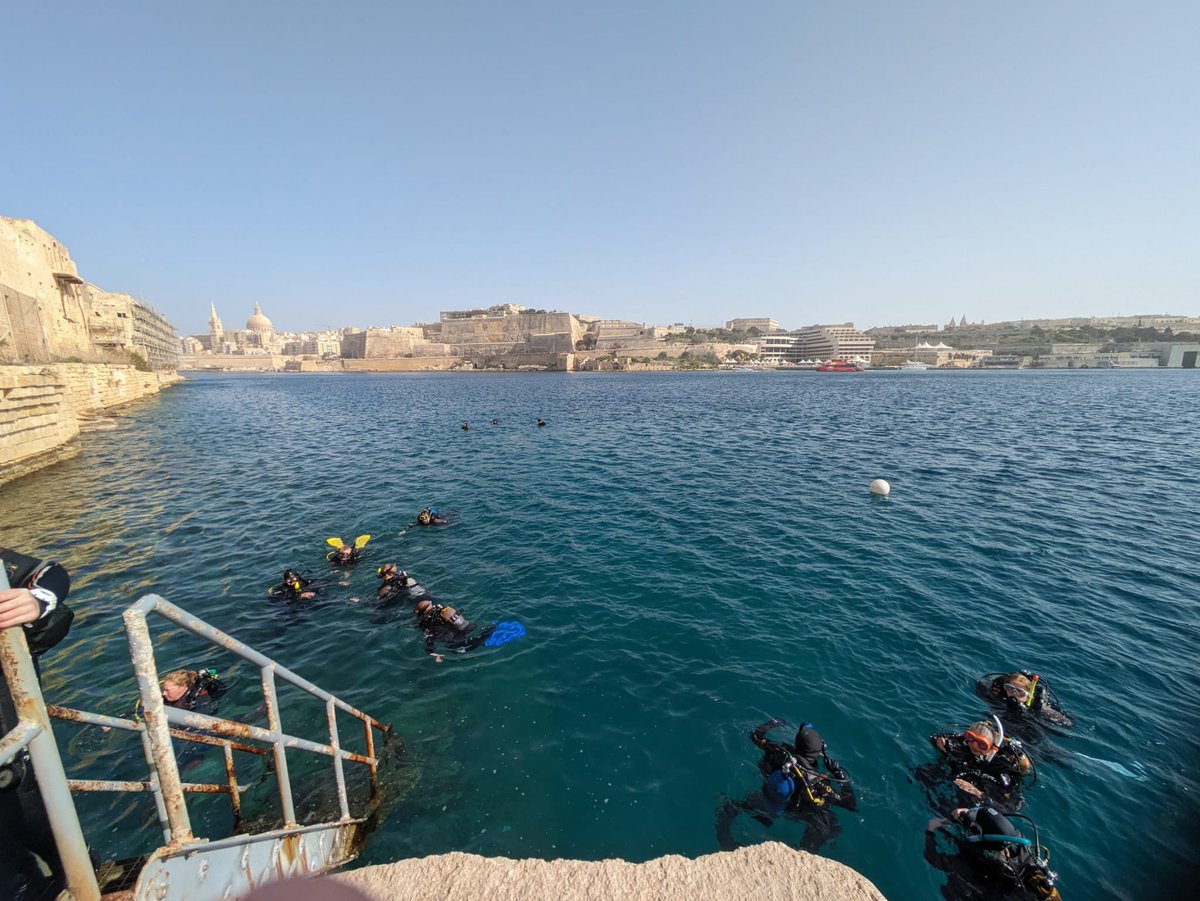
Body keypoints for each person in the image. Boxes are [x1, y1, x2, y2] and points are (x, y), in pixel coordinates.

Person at [0, 547, 74, 901]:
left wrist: (38, 599)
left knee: (44, 834)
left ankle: (78, 874)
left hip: (13, 753)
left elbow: (51, 573)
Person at [717, 718, 856, 854]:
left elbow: (755, 736)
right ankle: (804, 853)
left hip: (766, 796)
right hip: (793, 809)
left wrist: (772, 723)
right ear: (817, 753)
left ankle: (725, 838)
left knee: (733, 807)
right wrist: (838, 774)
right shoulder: (817, 783)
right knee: (829, 823)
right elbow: (849, 804)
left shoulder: (779, 751)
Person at [925, 806, 1061, 900]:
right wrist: (968, 813)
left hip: (998, 894)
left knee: (952, 889)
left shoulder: (980, 859)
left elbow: (932, 858)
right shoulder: (1018, 844)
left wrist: (930, 831)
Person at [929, 718, 1033, 807]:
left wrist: (978, 794)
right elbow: (936, 738)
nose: (974, 746)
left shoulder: (1000, 767)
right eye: (971, 738)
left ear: (993, 747)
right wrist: (940, 743)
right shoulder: (963, 746)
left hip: (982, 795)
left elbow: (1008, 805)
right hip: (955, 779)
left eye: (982, 744)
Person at [413, 598, 496, 663]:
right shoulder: (442, 611)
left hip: (453, 641)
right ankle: (487, 634)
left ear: (423, 614)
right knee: (484, 632)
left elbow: (429, 640)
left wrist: (434, 654)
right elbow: (465, 625)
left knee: (456, 651)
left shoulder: (426, 623)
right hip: (464, 631)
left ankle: (479, 641)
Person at [978, 672, 1073, 728]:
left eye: (1019, 692)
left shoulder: (1039, 707)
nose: (1013, 694)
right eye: (1010, 688)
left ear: (1029, 695)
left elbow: (1067, 723)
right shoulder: (1002, 696)